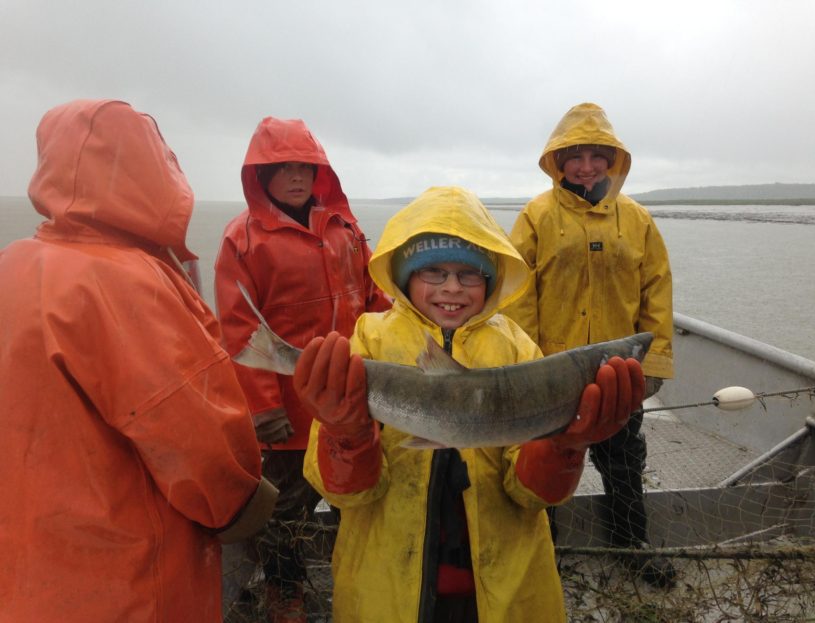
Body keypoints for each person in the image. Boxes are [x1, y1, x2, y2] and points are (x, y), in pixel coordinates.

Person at [294, 186, 645, 622]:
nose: (452, 288)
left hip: (504, 594)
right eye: (434, 272)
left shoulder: (516, 346)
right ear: (405, 277)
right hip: (385, 590)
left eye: (470, 274)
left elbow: (532, 495)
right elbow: (344, 494)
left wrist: (564, 446)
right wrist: (346, 436)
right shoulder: (368, 341)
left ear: (491, 279)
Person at [0, 99, 277, 622]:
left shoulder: (11, 265)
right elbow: (204, 451)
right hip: (124, 585)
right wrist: (245, 504)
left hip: (25, 578)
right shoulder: (126, 283)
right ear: (151, 170)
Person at [214, 117, 391, 621]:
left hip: (353, 399)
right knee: (285, 514)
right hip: (290, 416)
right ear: (260, 175)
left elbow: (375, 299)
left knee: (357, 500)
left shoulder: (346, 229)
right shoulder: (242, 240)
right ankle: (285, 594)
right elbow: (240, 330)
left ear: (319, 173)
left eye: (304, 167)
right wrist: (264, 408)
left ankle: (364, 581)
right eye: (282, 168)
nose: (296, 177)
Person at [507, 102, 676, 587]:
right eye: (574, 156)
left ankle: (632, 545)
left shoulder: (638, 219)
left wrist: (655, 362)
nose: (585, 166)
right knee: (545, 459)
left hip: (618, 372)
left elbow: (656, 291)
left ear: (612, 160)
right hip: (552, 374)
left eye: (596, 156)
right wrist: (526, 366)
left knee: (624, 462)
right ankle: (547, 552)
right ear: (557, 161)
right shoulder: (536, 216)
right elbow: (517, 295)